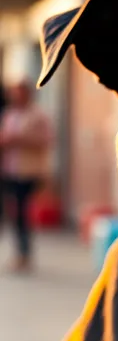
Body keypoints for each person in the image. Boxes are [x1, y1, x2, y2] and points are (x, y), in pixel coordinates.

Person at [0, 79, 53, 271]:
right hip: (9, 170)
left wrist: (20, 139)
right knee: (13, 214)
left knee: (22, 213)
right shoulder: (9, 113)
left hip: (28, 171)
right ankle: (18, 252)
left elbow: (46, 140)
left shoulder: (37, 115)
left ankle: (24, 254)